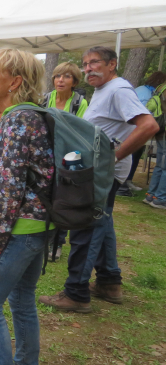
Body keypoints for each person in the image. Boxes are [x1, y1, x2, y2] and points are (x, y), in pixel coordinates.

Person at [39, 47, 158, 312]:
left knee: (85, 226)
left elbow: (149, 126)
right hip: (97, 171)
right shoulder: (105, 90)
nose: (88, 68)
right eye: (85, 64)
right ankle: (108, 282)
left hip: (102, 174)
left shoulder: (118, 89)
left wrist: (114, 156)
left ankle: (76, 293)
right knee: (102, 224)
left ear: (112, 64)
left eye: (94, 63)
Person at [0, 49, 53, 365]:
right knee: (21, 300)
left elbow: (8, 195)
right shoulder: (33, 115)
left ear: (15, 81)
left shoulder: (17, 121)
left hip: (21, 229)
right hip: (41, 226)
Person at [41, 62, 89, 260]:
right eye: (57, 76)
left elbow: (79, 131)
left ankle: (58, 243)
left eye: (66, 76)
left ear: (75, 81)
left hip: (68, 156)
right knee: (47, 196)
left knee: (63, 199)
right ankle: (45, 238)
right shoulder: (46, 99)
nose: (60, 80)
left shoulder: (80, 103)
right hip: (47, 154)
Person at [119, 72, 166, 195]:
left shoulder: (142, 89)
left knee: (139, 155)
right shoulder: (147, 93)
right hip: (136, 129)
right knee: (132, 154)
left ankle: (131, 182)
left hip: (135, 129)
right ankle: (125, 183)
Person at [144, 80, 166, 209]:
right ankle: (160, 198)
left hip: (159, 131)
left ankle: (151, 195)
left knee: (159, 165)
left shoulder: (161, 87)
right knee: (165, 168)